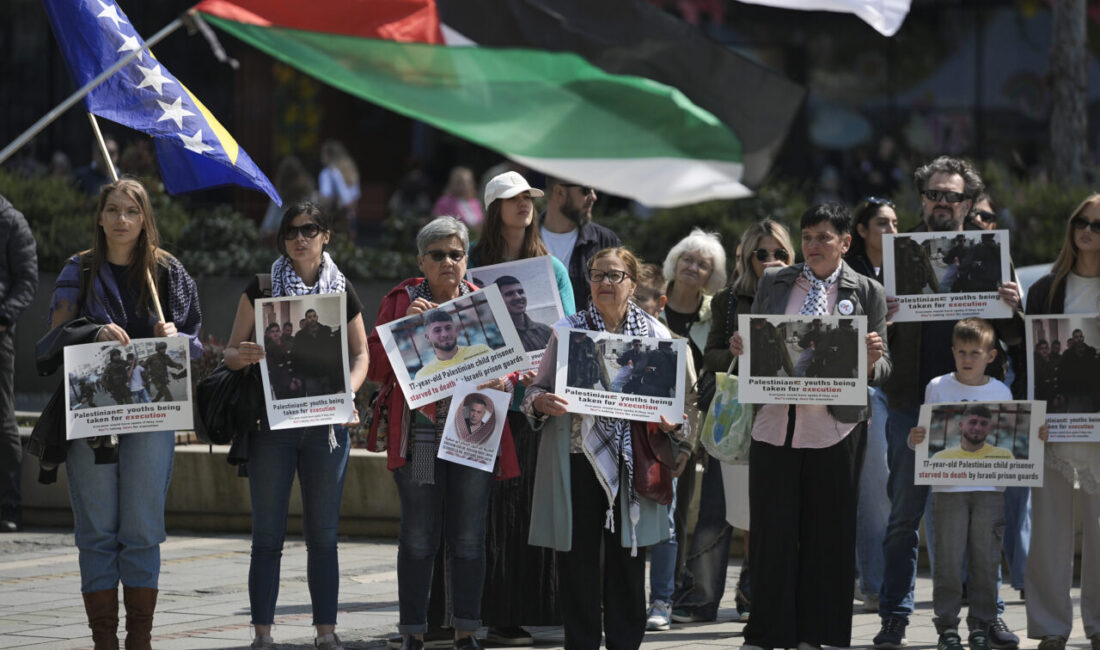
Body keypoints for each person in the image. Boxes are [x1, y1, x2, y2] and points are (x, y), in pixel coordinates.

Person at [876, 156, 1024, 650]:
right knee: (903, 521)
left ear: (967, 201)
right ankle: (896, 616)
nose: (943, 202)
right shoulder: (898, 255)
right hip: (910, 407)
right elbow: (873, 341)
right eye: (935, 194)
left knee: (986, 522)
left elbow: (1017, 342)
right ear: (922, 198)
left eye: (953, 195)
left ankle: (991, 615)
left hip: (977, 405)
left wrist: (1014, 307)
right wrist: (886, 319)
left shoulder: (991, 254)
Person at [48, 178, 202, 650]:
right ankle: (104, 642)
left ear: (144, 219)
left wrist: (176, 337)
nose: (121, 220)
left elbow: (197, 345)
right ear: (99, 217)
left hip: (152, 420)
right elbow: (54, 340)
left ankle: (140, 638)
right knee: (96, 532)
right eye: (112, 209)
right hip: (93, 421)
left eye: (131, 212)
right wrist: (90, 334)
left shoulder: (168, 272)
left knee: (141, 529)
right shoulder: (78, 271)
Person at [728, 202, 890, 650]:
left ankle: (820, 635)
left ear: (845, 242)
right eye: (807, 237)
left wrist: (873, 361)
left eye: (824, 237)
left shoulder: (868, 291)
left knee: (830, 536)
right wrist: (742, 345)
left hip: (835, 430)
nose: (813, 246)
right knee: (770, 534)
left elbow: (885, 365)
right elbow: (755, 343)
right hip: (774, 425)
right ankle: (764, 633)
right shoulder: (775, 281)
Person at [367, 216, 521, 650]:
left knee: (469, 537)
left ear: (466, 259)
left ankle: (467, 631)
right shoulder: (401, 301)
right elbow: (375, 368)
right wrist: (405, 332)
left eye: (456, 254)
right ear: (421, 260)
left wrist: (504, 382)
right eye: (438, 255)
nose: (448, 262)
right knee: (418, 537)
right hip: (420, 437)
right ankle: (414, 632)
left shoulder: (481, 304)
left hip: (472, 435)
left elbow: (512, 368)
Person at [522, 246, 687, 650]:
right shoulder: (568, 331)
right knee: (577, 562)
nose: (604, 284)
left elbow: (678, 407)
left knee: (629, 561)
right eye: (597, 275)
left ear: (632, 283)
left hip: (634, 460)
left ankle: (625, 643)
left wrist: (672, 421)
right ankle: (580, 643)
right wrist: (542, 402)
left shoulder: (656, 336)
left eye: (614, 276)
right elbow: (534, 392)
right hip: (577, 458)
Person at [223, 202, 369, 650]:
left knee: (323, 536)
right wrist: (243, 355)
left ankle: (326, 633)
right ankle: (262, 635)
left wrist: (348, 395)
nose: (300, 238)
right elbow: (229, 352)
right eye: (291, 231)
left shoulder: (342, 292)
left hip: (327, 427)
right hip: (273, 425)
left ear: (326, 236)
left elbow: (361, 355)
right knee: (267, 536)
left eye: (309, 229)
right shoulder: (262, 287)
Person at [467, 171, 574, 647]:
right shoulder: (470, 264)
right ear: (494, 208)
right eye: (513, 199)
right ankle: (497, 611)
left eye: (529, 198)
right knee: (494, 511)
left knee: (534, 504)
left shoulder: (551, 270)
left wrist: (544, 375)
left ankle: (542, 606)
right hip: (485, 405)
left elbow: (568, 333)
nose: (525, 205)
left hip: (535, 406)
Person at [678, 219, 795, 624]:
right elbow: (707, 358)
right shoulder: (728, 299)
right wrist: (731, 350)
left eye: (779, 252)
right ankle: (700, 599)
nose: (771, 260)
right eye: (762, 253)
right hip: (734, 417)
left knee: (766, 512)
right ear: (747, 257)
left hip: (784, 416)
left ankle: (754, 598)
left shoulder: (803, 297)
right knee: (716, 509)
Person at [903, 318, 1031, 650]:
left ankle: (982, 625)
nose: (967, 359)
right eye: (961, 352)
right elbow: (922, 438)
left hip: (990, 492)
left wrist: (1034, 439)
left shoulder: (1001, 391)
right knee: (946, 562)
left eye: (975, 352)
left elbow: (1013, 443)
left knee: (986, 561)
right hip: (947, 491)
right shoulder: (937, 386)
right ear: (952, 353)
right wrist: (914, 437)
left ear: (990, 355)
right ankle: (946, 627)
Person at [1024, 193, 1100, 650]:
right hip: (1053, 422)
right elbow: (1030, 356)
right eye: (1081, 222)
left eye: (1097, 224)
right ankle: (1051, 627)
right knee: (1049, 527)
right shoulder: (1045, 288)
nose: (1087, 230)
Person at [631, 264, 698, 633]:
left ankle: (662, 599)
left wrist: (686, 446)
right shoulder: (615, 340)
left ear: (661, 303)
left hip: (662, 447)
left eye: (643, 299)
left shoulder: (675, 345)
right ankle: (622, 597)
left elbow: (691, 398)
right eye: (632, 297)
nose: (635, 305)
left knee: (666, 527)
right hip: (622, 445)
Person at [845, 197, 899, 613]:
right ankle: (875, 584)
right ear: (860, 231)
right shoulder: (851, 277)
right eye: (882, 222)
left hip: (907, 386)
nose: (892, 229)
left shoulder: (909, 267)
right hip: (864, 388)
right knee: (874, 488)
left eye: (896, 222)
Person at [0, 193, 37, 533]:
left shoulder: (11, 221)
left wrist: (3, 318)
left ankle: (9, 506)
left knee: (3, 421)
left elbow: (26, 280)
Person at [539, 177, 620, 311]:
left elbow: (621, 297)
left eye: (595, 189)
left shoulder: (605, 241)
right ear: (559, 192)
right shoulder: (524, 239)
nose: (593, 197)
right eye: (586, 190)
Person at [414, 309, 492, 380]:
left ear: (456, 330)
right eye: (437, 330)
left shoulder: (482, 351)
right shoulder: (423, 376)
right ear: (427, 337)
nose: (444, 334)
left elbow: (503, 378)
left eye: (448, 328)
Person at [495, 275, 553, 352]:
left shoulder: (545, 330)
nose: (518, 297)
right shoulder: (495, 340)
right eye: (509, 294)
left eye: (520, 292)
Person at [317, 139, 361, 237]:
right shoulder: (351, 170)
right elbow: (354, 199)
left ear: (328, 155)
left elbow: (326, 198)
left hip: (334, 219)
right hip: (351, 219)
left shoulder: (327, 173)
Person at [432, 166, 484, 232]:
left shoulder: (475, 202)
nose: (465, 185)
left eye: (467, 181)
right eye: (460, 182)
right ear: (452, 183)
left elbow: (480, 223)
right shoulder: (444, 202)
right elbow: (437, 224)